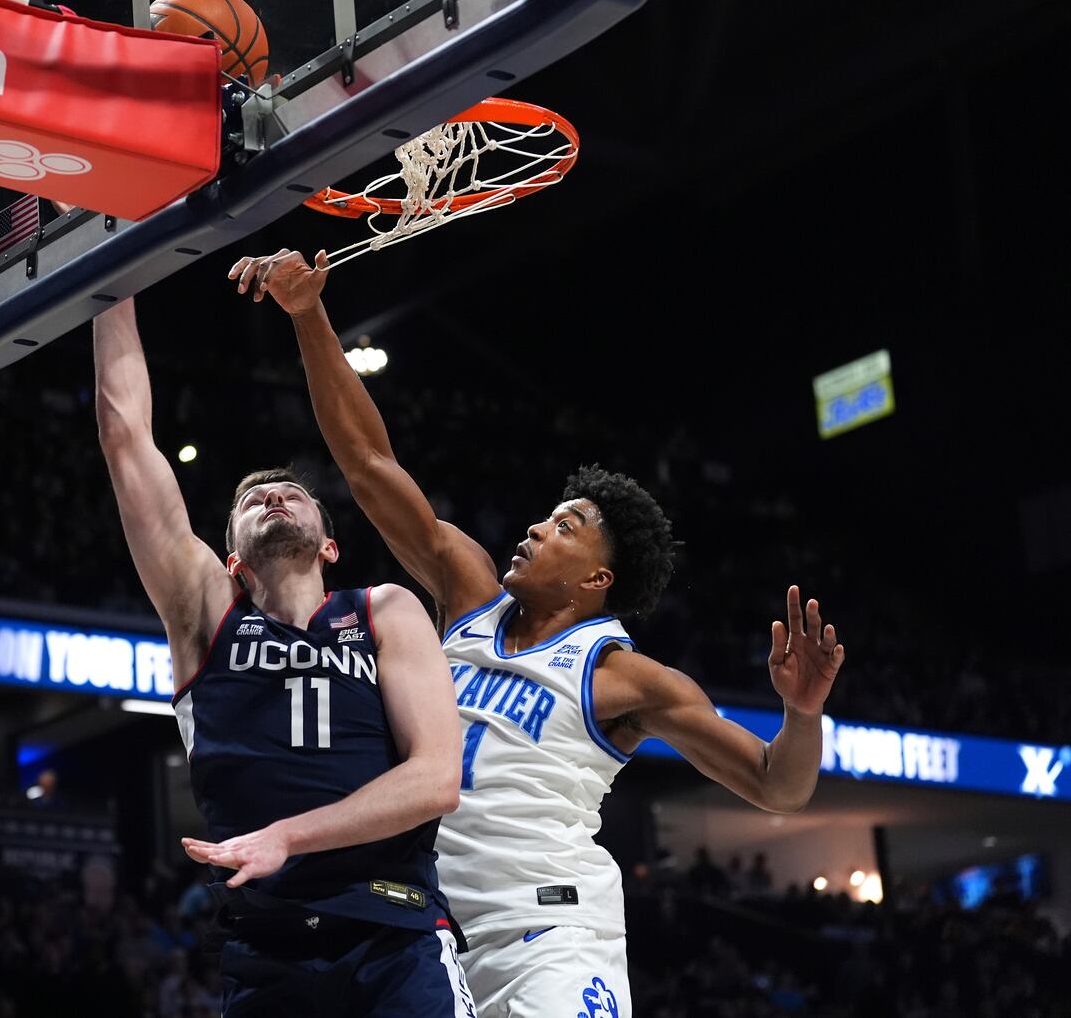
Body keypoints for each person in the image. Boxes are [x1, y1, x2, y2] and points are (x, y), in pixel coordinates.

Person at [231, 249, 848, 1018]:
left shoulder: (623, 676)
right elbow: (366, 462)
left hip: (551, 932)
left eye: (565, 528)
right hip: (431, 932)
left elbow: (776, 785)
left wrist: (802, 713)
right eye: (546, 516)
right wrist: (309, 314)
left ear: (597, 580)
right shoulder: (467, 592)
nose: (534, 526)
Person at [93, 297, 472, 1016]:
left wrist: (287, 837)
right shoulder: (207, 613)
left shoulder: (384, 608)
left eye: (293, 493)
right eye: (252, 498)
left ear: (329, 545)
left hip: (396, 934)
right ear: (230, 556)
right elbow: (125, 435)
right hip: (267, 951)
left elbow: (435, 779)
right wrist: (115, 275)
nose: (273, 493)